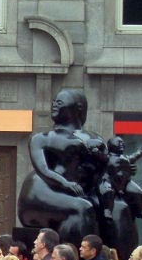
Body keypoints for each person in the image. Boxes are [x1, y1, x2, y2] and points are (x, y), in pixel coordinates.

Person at [17, 89, 104, 249]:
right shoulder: (41, 139)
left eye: (59, 102)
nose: (54, 105)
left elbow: (101, 172)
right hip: (41, 191)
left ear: (78, 107)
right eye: (53, 102)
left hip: (80, 192)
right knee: (81, 209)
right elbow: (43, 169)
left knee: (115, 209)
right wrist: (66, 184)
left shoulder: (95, 139)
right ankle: (70, 257)